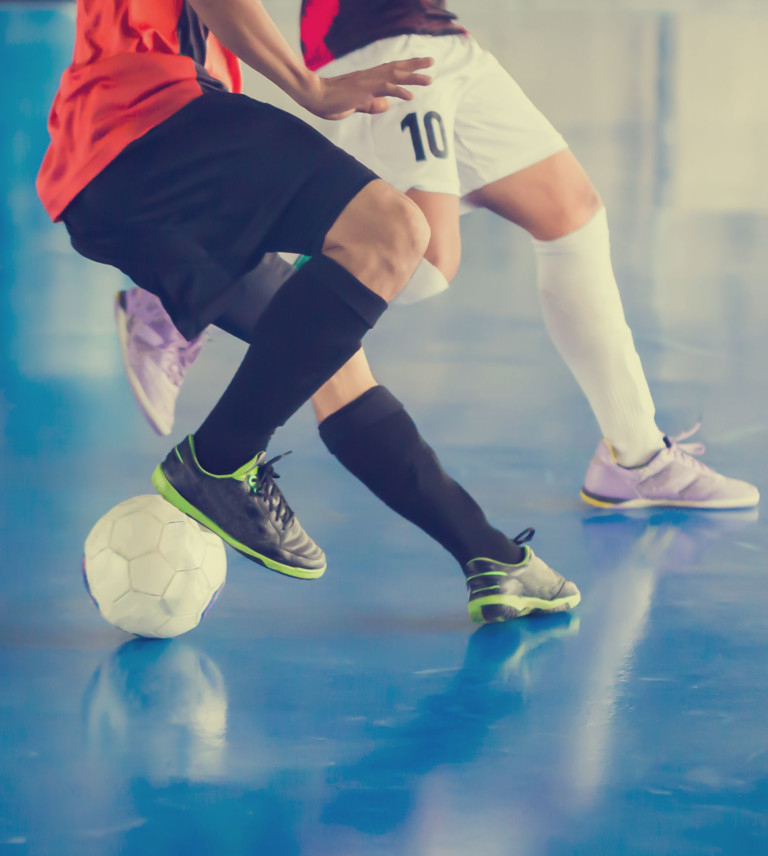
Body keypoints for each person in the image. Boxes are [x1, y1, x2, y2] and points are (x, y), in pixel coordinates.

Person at [37, 0, 580, 624]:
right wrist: (309, 86)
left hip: (113, 181)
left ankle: (489, 557)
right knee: (394, 231)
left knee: (332, 365)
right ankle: (214, 461)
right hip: (152, 121)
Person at [119, 0, 759, 512]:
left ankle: (636, 456)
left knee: (572, 214)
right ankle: (185, 291)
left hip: (444, 38)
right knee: (417, 258)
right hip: (378, 36)